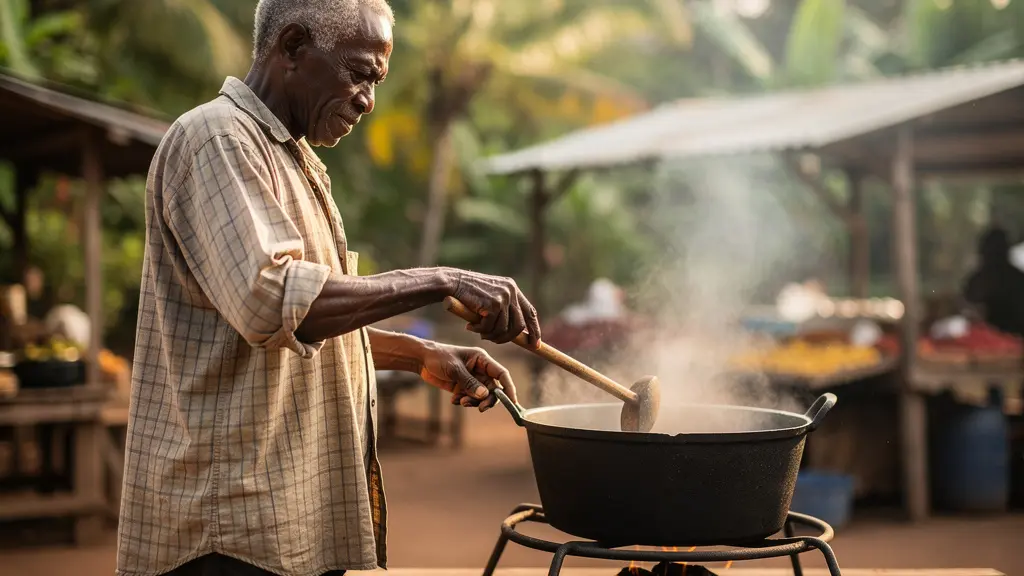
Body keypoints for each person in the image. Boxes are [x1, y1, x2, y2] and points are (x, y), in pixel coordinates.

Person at [116, 2, 541, 575]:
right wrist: (442, 279)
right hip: (227, 531)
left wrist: (418, 354)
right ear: (293, 47)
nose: (368, 100)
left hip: (280, 518)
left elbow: (294, 329)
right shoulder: (216, 138)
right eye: (360, 74)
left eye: (376, 82)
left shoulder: (293, 159)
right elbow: (274, 301)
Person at [963, 225, 1024, 338]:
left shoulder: (1018, 280)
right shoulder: (977, 280)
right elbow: (967, 309)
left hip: (1013, 340)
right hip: (981, 340)